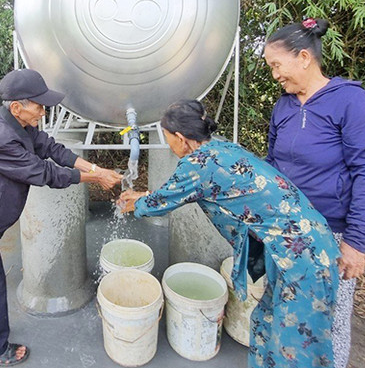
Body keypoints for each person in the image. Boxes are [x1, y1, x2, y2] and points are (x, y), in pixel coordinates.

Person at [120, 100, 341, 368]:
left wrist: (133, 203)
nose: (169, 145)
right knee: (266, 322)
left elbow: (159, 204)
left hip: (302, 257)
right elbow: (174, 193)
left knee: (294, 347)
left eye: (168, 139)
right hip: (300, 244)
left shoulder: (198, 164)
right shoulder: (222, 148)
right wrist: (144, 196)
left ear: (180, 138)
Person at [0, 68, 122, 367]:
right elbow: (43, 172)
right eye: (39, 106)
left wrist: (95, 169)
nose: (43, 111)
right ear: (17, 106)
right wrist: (96, 179)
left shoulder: (13, 123)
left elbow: (50, 148)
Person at [263, 18, 365, 368]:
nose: (275, 75)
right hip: (286, 228)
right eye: (271, 68)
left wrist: (356, 243)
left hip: (331, 233)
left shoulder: (350, 101)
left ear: (304, 57)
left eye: (277, 65)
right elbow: (272, 163)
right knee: (283, 307)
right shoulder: (284, 106)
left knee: (326, 320)